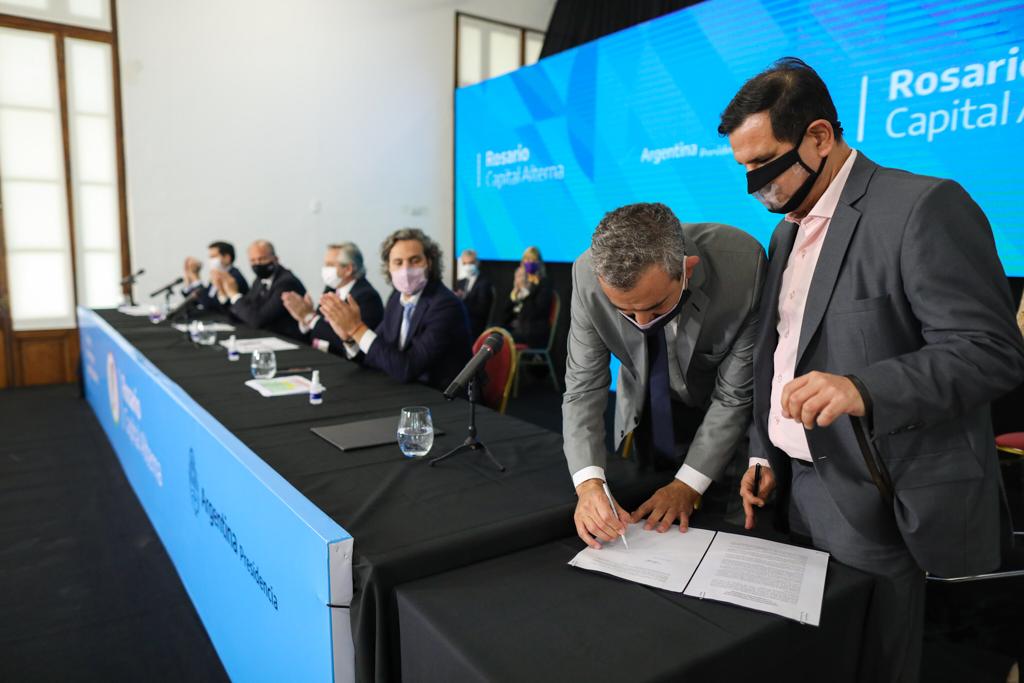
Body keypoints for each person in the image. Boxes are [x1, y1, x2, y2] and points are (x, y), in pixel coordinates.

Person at [720, 58, 1024, 682]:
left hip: (878, 495)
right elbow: (781, 355)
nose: (756, 186)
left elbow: (990, 351)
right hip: (793, 489)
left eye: (766, 165)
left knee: (878, 664)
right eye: (744, 169)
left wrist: (862, 388)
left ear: (820, 137)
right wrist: (763, 451)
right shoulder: (784, 234)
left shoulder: (923, 207)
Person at [564, 202, 765, 548]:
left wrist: (687, 484)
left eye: (655, 308)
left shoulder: (742, 266)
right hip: (645, 417)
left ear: (687, 269)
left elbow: (733, 396)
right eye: (625, 312)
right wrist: (589, 484)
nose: (642, 325)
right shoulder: (586, 276)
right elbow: (584, 387)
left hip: (721, 423)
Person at [320, 228, 472, 390]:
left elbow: (407, 368)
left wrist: (356, 328)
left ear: (429, 262)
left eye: (414, 260)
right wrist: (350, 338)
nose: (405, 269)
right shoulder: (395, 298)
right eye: (398, 262)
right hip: (407, 391)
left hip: (443, 398)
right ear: (389, 268)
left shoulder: (446, 305)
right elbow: (378, 353)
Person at [282, 242, 384, 355]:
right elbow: (318, 331)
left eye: (330, 265)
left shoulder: (367, 296)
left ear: (348, 269)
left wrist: (310, 317)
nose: (325, 269)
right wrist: (303, 319)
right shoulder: (331, 288)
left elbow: (350, 344)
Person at [212, 239, 307, 341]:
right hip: (267, 337)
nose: (257, 264)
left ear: (275, 259)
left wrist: (234, 294)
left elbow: (257, 319)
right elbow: (243, 312)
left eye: (262, 259)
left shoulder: (286, 283)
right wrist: (223, 293)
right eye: (253, 260)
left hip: (289, 339)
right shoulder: (259, 280)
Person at [503, 246, 554, 348]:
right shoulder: (518, 281)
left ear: (539, 263)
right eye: (527, 259)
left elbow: (536, 312)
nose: (529, 262)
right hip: (516, 327)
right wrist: (515, 293)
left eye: (533, 260)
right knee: (493, 332)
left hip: (533, 330)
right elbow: (504, 315)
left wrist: (525, 291)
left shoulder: (544, 284)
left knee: (503, 339)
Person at [181, 241, 248, 312]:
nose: (210, 260)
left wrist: (196, 278)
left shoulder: (234, 277)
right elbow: (199, 300)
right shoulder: (216, 275)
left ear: (227, 258)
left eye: (213, 257)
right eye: (209, 257)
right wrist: (188, 280)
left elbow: (210, 305)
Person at [454, 248, 494, 339]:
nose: (468, 266)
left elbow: (482, 310)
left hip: (475, 325)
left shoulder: (484, 283)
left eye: (471, 263)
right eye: (465, 263)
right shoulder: (461, 282)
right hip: (461, 323)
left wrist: (461, 302)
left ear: (477, 263)